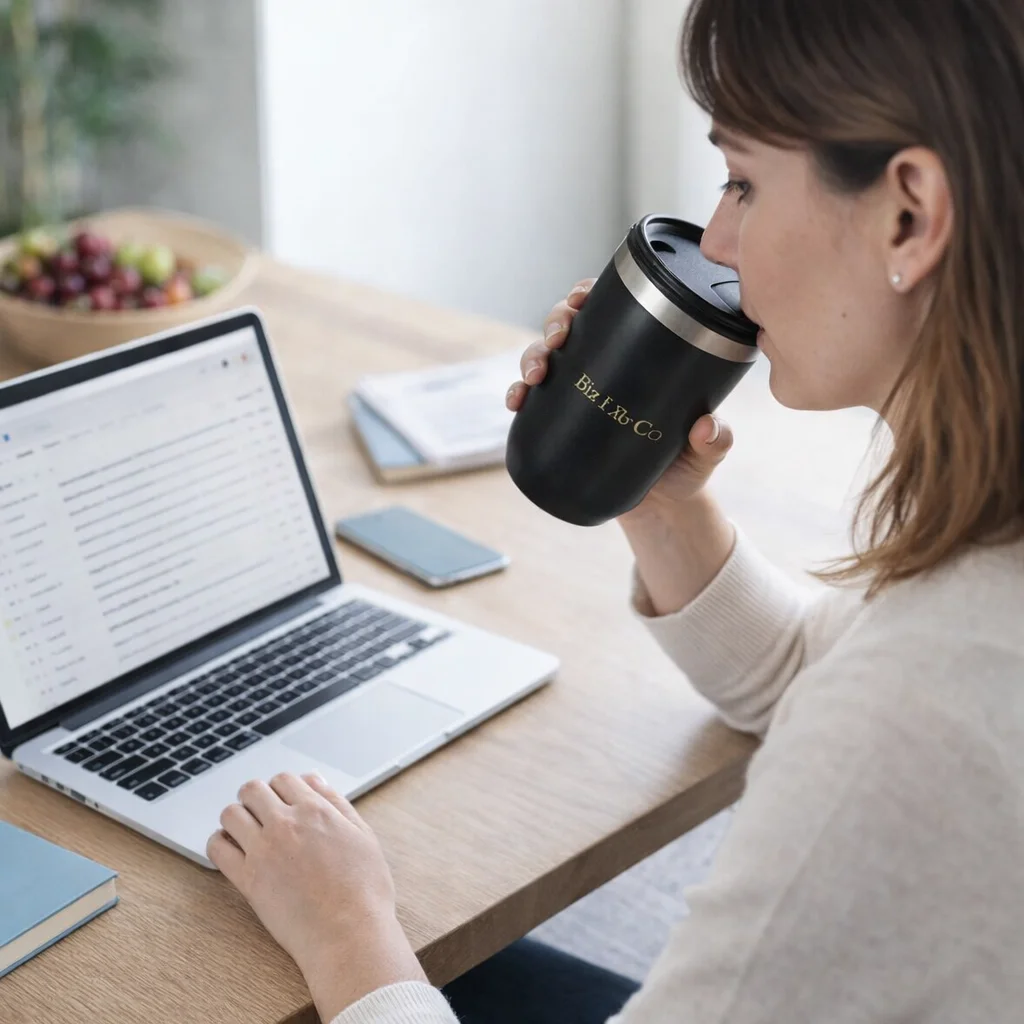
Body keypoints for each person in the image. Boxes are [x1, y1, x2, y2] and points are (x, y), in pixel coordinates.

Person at [204, 0, 1024, 1021]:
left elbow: (878, 721)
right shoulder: (977, 579)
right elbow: (821, 683)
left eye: (742, 183)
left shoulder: (910, 720)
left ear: (908, 214)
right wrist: (657, 493)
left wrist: (345, 931)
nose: (717, 244)